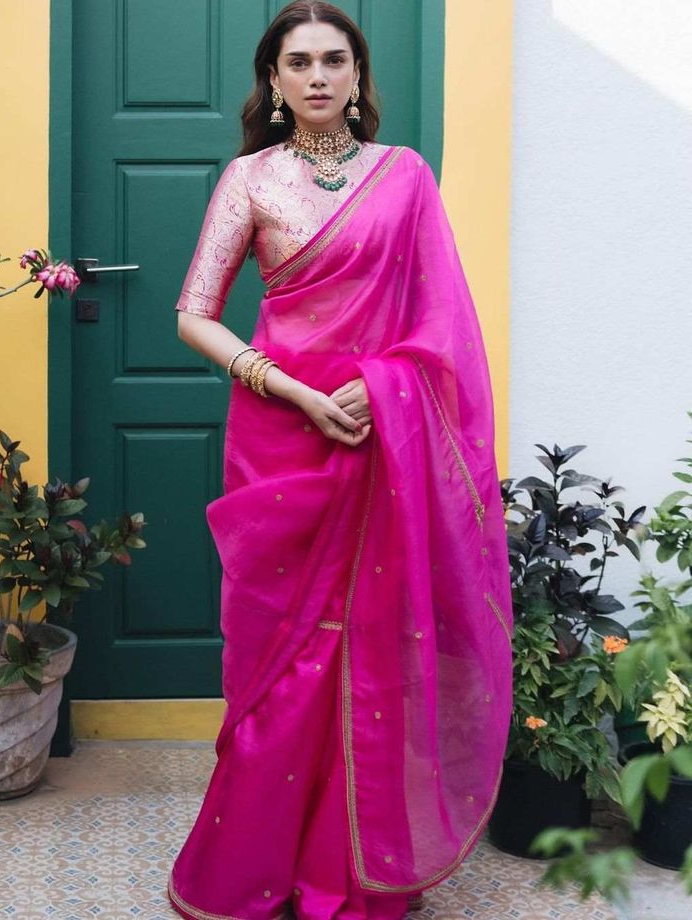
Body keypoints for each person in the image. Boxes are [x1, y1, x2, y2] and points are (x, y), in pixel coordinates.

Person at [166, 3, 514, 919]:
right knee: (279, 658)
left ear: (357, 76)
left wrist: (383, 382)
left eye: (334, 60)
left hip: (378, 432)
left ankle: (353, 865)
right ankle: (254, 862)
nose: (317, 76)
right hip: (286, 436)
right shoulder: (250, 180)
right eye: (298, 63)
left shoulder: (404, 177)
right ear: (273, 84)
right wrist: (289, 388)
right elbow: (194, 311)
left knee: (371, 643)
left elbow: (442, 323)